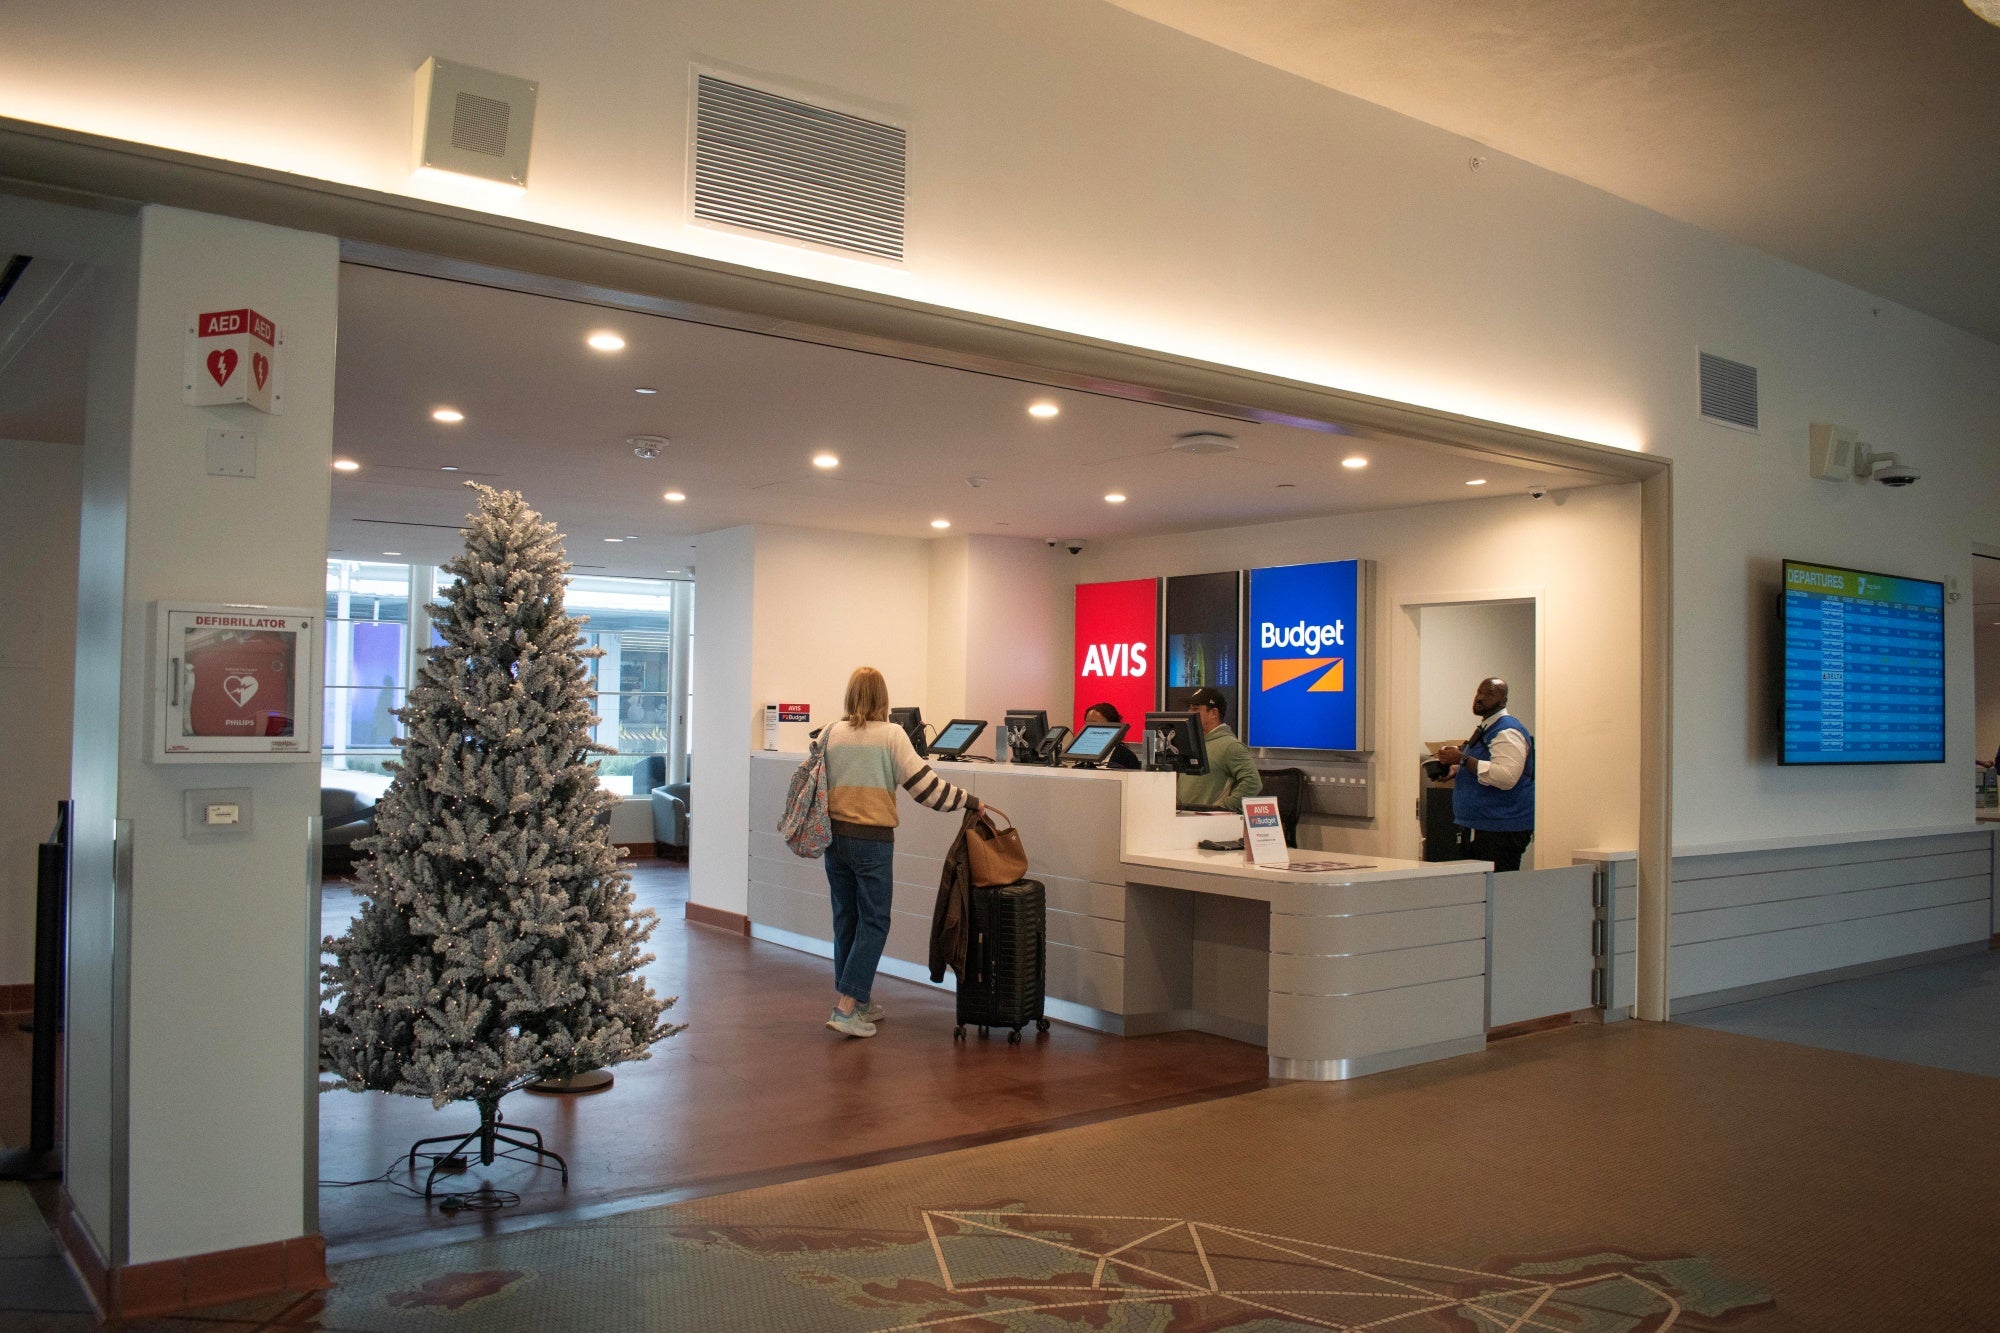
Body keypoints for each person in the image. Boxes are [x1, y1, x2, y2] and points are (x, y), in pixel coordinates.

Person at [819, 666, 981, 1038]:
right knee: (875, 922)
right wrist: (969, 801)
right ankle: (846, 1007)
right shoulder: (891, 735)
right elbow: (926, 787)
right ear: (883, 698)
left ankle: (858, 1001)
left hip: (834, 841)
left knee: (846, 920)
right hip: (872, 842)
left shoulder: (830, 733)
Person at [1436, 676, 1535, 873]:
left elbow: (1506, 776)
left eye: (1489, 693)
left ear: (1503, 700)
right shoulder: (1488, 728)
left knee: (1496, 892)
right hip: (1486, 825)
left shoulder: (1507, 731)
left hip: (1502, 829)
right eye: (1479, 692)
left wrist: (1462, 759)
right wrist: (1456, 770)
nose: (1480, 698)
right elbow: (1488, 763)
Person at [1175, 686, 1261, 812]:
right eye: (1190, 708)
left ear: (1213, 713)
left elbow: (1253, 783)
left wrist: (1223, 809)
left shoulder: (1230, 746)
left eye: (1195, 709)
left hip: (1209, 825)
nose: (1189, 713)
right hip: (1183, 819)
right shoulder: (1191, 743)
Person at [1082, 701, 1141, 770]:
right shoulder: (1080, 754)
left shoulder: (1127, 757)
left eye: (1095, 725)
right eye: (1087, 725)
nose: (1089, 730)